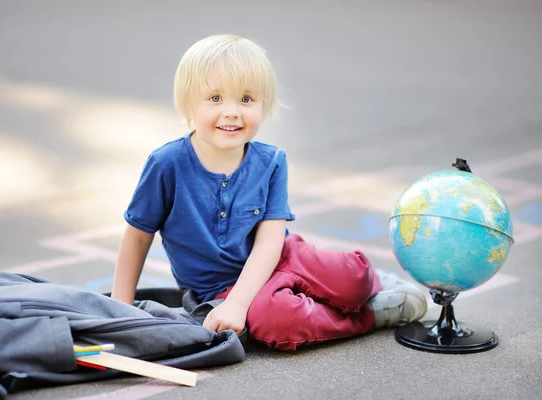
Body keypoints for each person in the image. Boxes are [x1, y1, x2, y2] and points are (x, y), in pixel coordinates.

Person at [111, 34, 427, 351]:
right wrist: (119, 314)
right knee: (280, 323)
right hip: (220, 288)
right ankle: (372, 314)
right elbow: (138, 237)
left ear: (264, 105)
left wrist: (243, 302)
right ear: (187, 102)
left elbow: (270, 241)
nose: (232, 111)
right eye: (215, 98)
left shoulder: (271, 161)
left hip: (282, 257)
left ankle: (367, 289)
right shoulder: (167, 164)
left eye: (246, 100)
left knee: (352, 278)